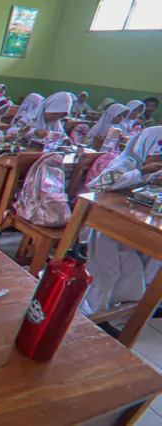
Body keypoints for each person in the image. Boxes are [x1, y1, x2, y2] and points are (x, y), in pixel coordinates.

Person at [82, 127, 162, 316]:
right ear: (145, 148)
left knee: (138, 262)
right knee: (107, 267)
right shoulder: (124, 164)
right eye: (157, 157)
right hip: (104, 222)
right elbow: (100, 185)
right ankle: (96, 308)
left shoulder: (154, 174)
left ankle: (121, 307)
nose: (159, 163)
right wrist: (141, 171)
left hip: (133, 224)